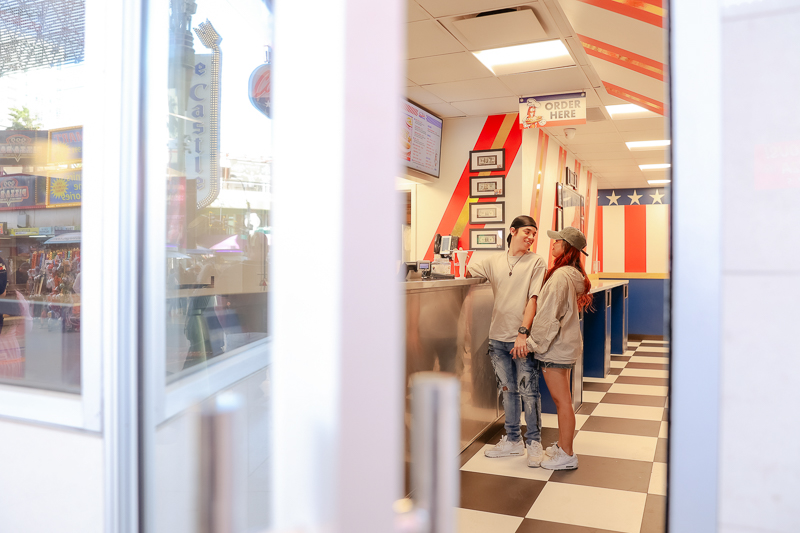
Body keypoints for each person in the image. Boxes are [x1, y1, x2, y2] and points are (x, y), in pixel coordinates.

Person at [467, 215, 548, 467]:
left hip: (521, 339)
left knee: (529, 392)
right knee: (508, 391)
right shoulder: (493, 261)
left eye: (534, 233)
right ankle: (513, 441)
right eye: (527, 232)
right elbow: (468, 271)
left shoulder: (536, 262)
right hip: (497, 338)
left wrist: (523, 333)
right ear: (512, 231)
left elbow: (533, 299)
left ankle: (534, 443)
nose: (531, 237)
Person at [526, 226, 593, 470]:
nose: (552, 244)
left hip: (556, 347)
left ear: (567, 247)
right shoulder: (571, 274)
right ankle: (563, 445)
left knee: (562, 400)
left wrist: (531, 343)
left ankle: (567, 454)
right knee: (563, 399)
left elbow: (548, 317)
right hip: (565, 345)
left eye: (557, 241)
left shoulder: (560, 277)